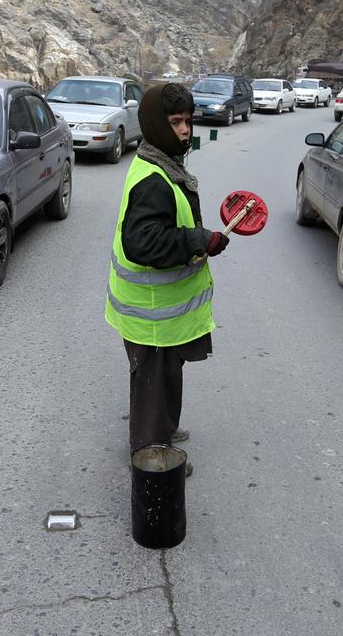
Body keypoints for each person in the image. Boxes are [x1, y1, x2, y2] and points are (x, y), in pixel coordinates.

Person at [105, 83, 230, 477]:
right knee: (153, 383)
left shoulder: (161, 164)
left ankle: (164, 432)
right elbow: (141, 242)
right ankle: (150, 453)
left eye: (189, 121)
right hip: (152, 312)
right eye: (175, 122)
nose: (185, 130)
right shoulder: (153, 179)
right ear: (157, 124)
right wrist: (198, 239)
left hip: (162, 313)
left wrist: (200, 237)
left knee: (163, 376)